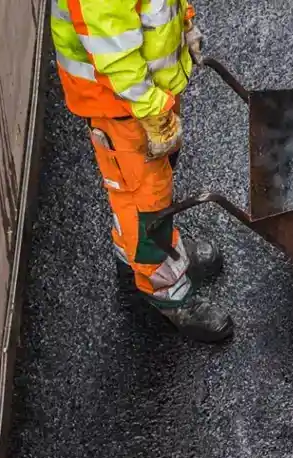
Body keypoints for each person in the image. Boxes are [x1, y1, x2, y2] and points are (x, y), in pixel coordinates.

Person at [49, 0, 231, 342]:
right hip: (123, 105)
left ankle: (134, 252)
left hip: (148, 92)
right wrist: (149, 108)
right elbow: (114, 52)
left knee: (155, 180)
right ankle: (166, 290)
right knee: (144, 201)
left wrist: (185, 21)